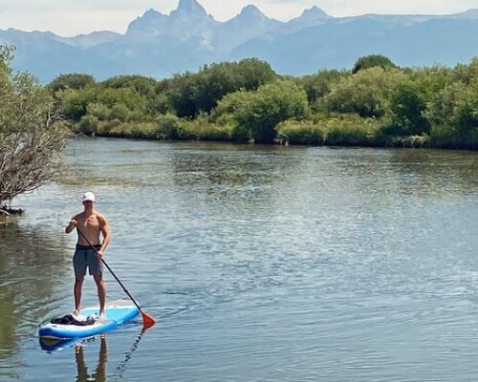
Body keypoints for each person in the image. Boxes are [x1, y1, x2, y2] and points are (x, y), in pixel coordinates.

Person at [66, 192, 110, 320]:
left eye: (90, 202)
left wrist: (102, 250)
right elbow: (67, 231)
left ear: (94, 203)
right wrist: (71, 225)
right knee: (78, 280)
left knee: (98, 279)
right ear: (83, 203)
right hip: (80, 250)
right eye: (86, 202)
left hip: (95, 251)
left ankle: (102, 311)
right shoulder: (77, 218)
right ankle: (77, 310)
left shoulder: (99, 218)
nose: (88, 204)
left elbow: (107, 236)